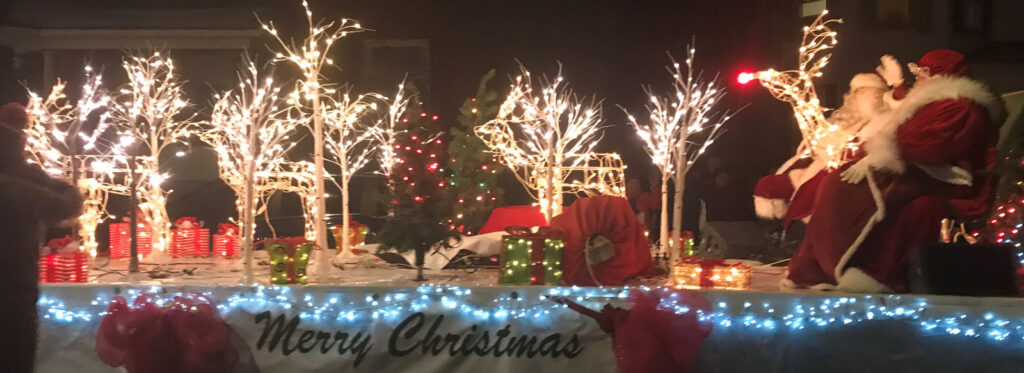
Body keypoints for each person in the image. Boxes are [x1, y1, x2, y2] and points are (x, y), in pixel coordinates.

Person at [784, 50, 1005, 292]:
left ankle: (852, 268)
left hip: (944, 176)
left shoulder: (961, 107)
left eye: (923, 75)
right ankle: (822, 268)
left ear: (940, 76)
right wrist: (868, 154)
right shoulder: (933, 103)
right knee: (832, 183)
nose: (918, 80)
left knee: (845, 189)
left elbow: (930, 145)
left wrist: (877, 158)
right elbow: (902, 132)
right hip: (914, 170)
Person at [0, 103, 83, 372]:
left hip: (17, 289)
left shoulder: (25, 179)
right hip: (16, 288)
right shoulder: (27, 178)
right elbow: (67, 203)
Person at [753, 72, 892, 228]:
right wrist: (813, 142)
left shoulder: (878, 126)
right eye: (854, 94)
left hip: (842, 174)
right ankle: (778, 229)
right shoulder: (844, 122)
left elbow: (866, 152)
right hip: (817, 167)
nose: (853, 100)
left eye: (861, 95)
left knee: (811, 191)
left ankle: (794, 229)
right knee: (767, 185)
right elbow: (822, 144)